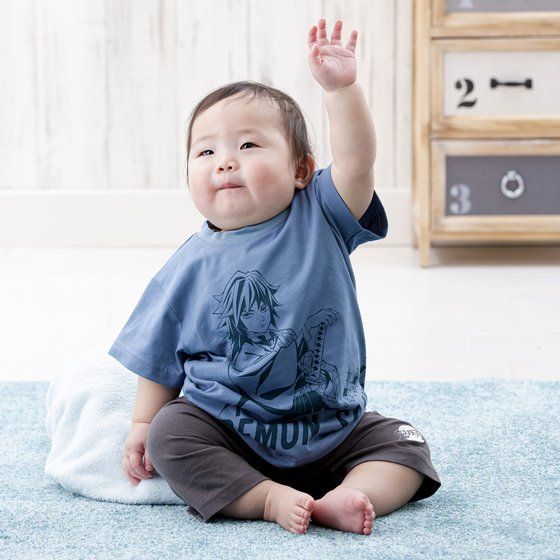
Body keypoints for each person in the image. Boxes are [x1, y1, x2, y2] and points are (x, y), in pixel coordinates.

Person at [111, 17, 441, 536]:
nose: (225, 162)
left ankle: (351, 496)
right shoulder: (185, 268)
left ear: (301, 170)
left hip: (333, 427)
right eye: (206, 151)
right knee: (171, 435)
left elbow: (357, 162)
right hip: (231, 432)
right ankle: (266, 497)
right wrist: (142, 424)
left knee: (406, 444)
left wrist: (341, 92)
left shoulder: (322, 216)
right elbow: (158, 359)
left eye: (248, 146)